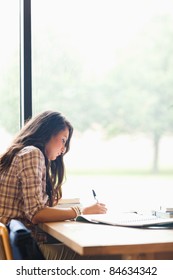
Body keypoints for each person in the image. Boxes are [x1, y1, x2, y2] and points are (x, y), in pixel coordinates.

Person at [0, 110, 107, 259]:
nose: (63, 149)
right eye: (63, 140)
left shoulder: (18, 153)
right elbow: (36, 213)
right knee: (101, 256)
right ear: (46, 133)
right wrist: (80, 210)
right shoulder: (32, 153)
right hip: (20, 252)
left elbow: (27, 205)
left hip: (11, 248)